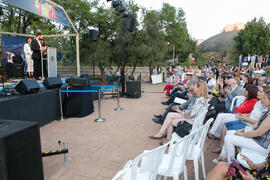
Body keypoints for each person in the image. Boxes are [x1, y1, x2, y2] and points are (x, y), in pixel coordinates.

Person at [206, 154, 270, 180]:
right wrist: (254, 165)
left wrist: (251, 179)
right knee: (222, 166)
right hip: (257, 174)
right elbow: (266, 163)